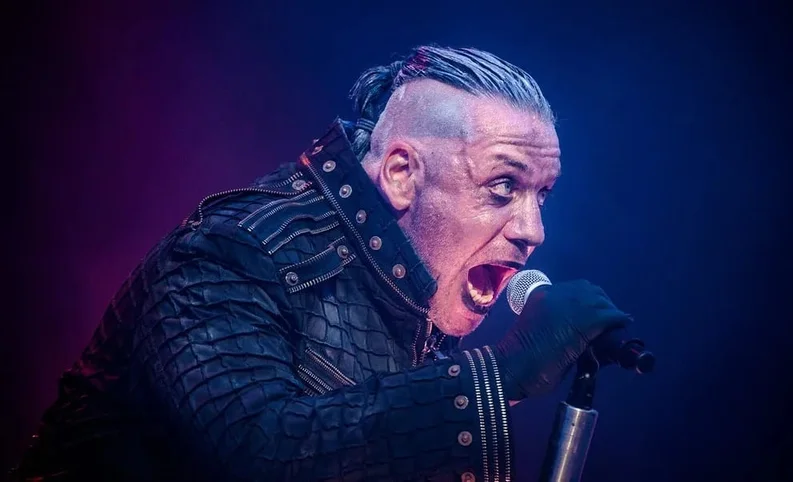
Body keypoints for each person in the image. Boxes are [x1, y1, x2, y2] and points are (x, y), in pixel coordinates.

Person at [13, 45, 632, 481]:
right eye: (502, 186)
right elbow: (258, 452)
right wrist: (502, 375)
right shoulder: (236, 251)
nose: (532, 232)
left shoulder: (412, 306)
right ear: (401, 173)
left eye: (541, 196)